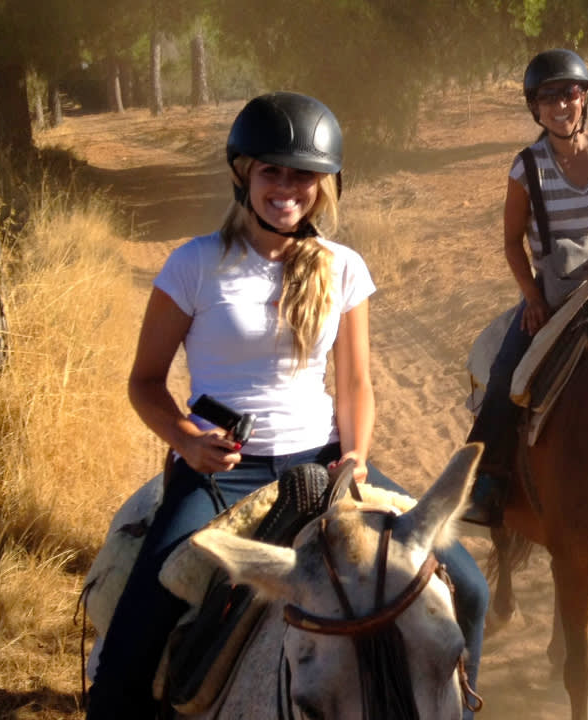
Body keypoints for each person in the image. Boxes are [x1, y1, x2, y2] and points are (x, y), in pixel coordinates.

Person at [86, 92, 488, 720]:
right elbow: (145, 382)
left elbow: (355, 383)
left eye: (303, 175)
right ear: (243, 175)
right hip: (221, 473)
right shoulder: (194, 264)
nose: (287, 188)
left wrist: (356, 455)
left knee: (470, 586)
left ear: (324, 186)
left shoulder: (343, 267)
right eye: (272, 171)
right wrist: (187, 441)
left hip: (324, 462)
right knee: (132, 642)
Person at [462, 49, 588, 526]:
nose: (561, 105)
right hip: (556, 294)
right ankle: (486, 482)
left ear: (584, 97)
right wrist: (533, 299)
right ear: (535, 108)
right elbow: (511, 242)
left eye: (570, 93)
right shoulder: (527, 168)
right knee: (506, 377)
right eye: (548, 98)